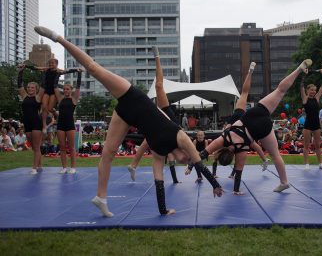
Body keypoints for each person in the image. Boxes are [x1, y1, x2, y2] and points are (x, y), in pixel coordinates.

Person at [35, 26, 222, 218]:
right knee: (93, 68)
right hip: (132, 97)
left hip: (127, 115)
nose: (187, 162)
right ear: (186, 151)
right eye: (188, 160)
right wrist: (215, 185)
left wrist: (164, 211)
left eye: (187, 163)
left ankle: (101, 197)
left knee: (108, 153)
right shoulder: (180, 136)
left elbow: (159, 182)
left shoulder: (159, 153)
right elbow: (199, 162)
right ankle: (58, 38)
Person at [197, 59, 312, 194]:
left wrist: (236, 191)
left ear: (231, 158)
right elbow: (202, 154)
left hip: (262, 129)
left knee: (275, 155)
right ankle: (298, 69)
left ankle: (284, 182)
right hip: (254, 115)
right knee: (280, 90)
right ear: (220, 152)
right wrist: (191, 164)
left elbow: (238, 172)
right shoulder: (223, 138)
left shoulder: (241, 151)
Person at [127, 46, 182, 185]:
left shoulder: (170, 151)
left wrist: (176, 180)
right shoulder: (179, 143)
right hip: (167, 115)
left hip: (159, 125)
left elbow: (172, 158)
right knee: (159, 85)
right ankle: (157, 57)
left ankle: (133, 165)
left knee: (148, 142)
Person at [17, 65, 45, 173]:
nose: (30, 89)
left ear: (36, 89)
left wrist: (42, 72)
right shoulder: (24, 96)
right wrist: (21, 72)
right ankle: (40, 164)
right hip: (27, 123)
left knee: (37, 147)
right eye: (28, 87)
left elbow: (43, 85)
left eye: (32, 87)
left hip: (36, 123)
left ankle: (34, 168)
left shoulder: (38, 97)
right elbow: (19, 85)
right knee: (33, 146)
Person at [53, 69, 82, 174]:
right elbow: (55, 87)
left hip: (70, 125)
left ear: (71, 90)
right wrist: (58, 74)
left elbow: (78, 87)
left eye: (68, 89)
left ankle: (73, 167)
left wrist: (79, 74)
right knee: (62, 147)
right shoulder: (60, 99)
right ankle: (64, 167)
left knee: (72, 147)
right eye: (64, 89)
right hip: (60, 124)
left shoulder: (74, 99)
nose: (65, 91)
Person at [300, 75, 322, 170]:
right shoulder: (305, 98)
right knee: (306, 145)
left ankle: (320, 163)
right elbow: (301, 87)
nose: (313, 91)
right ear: (308, 90)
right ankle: (307, 164)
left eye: (314, 90)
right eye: (311, 90)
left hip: (316, 124)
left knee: (317, 145)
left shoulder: (316, 98)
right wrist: (303, 76)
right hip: (308, 124)